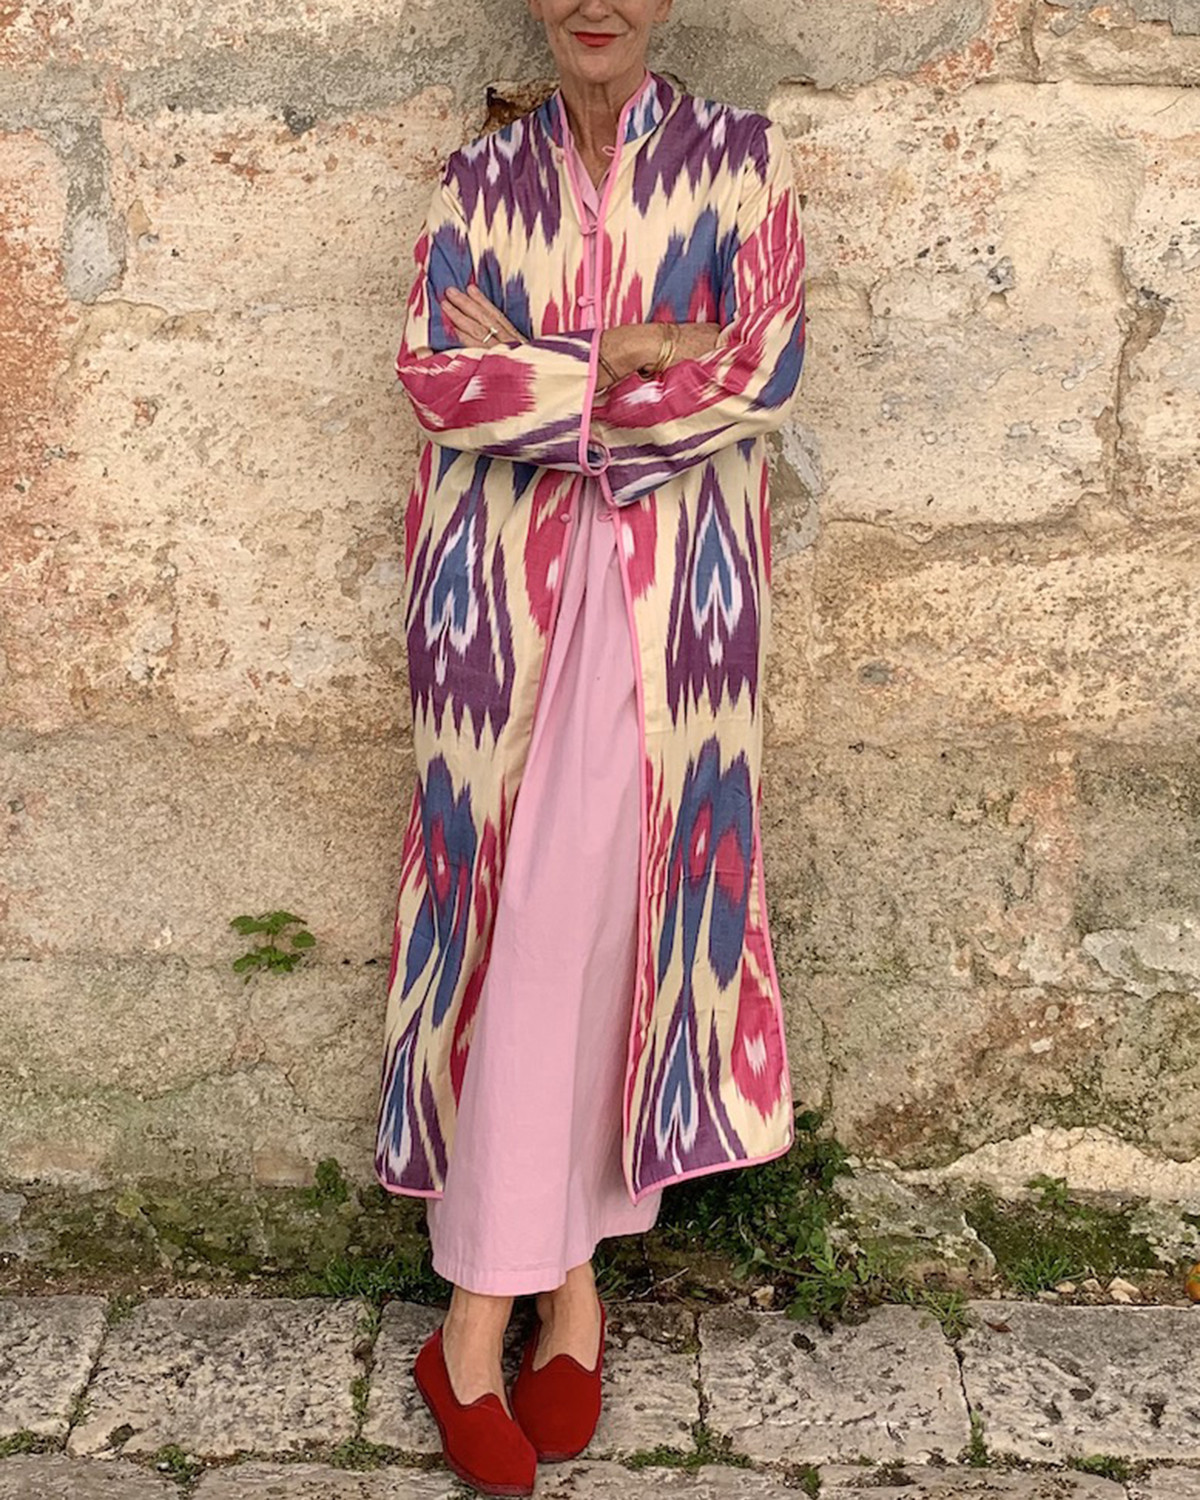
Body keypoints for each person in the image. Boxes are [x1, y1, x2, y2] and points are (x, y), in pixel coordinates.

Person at [373, 1, 807, 1492]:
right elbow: (437, 378)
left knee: (611, 949)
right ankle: (502, 1315)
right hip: (501, 626)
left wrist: (547, 371)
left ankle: (541, 1302)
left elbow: (759, 370)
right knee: (520, 938)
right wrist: (623, 352)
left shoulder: (739, 162)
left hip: (671, 625)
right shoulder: (477, 181)